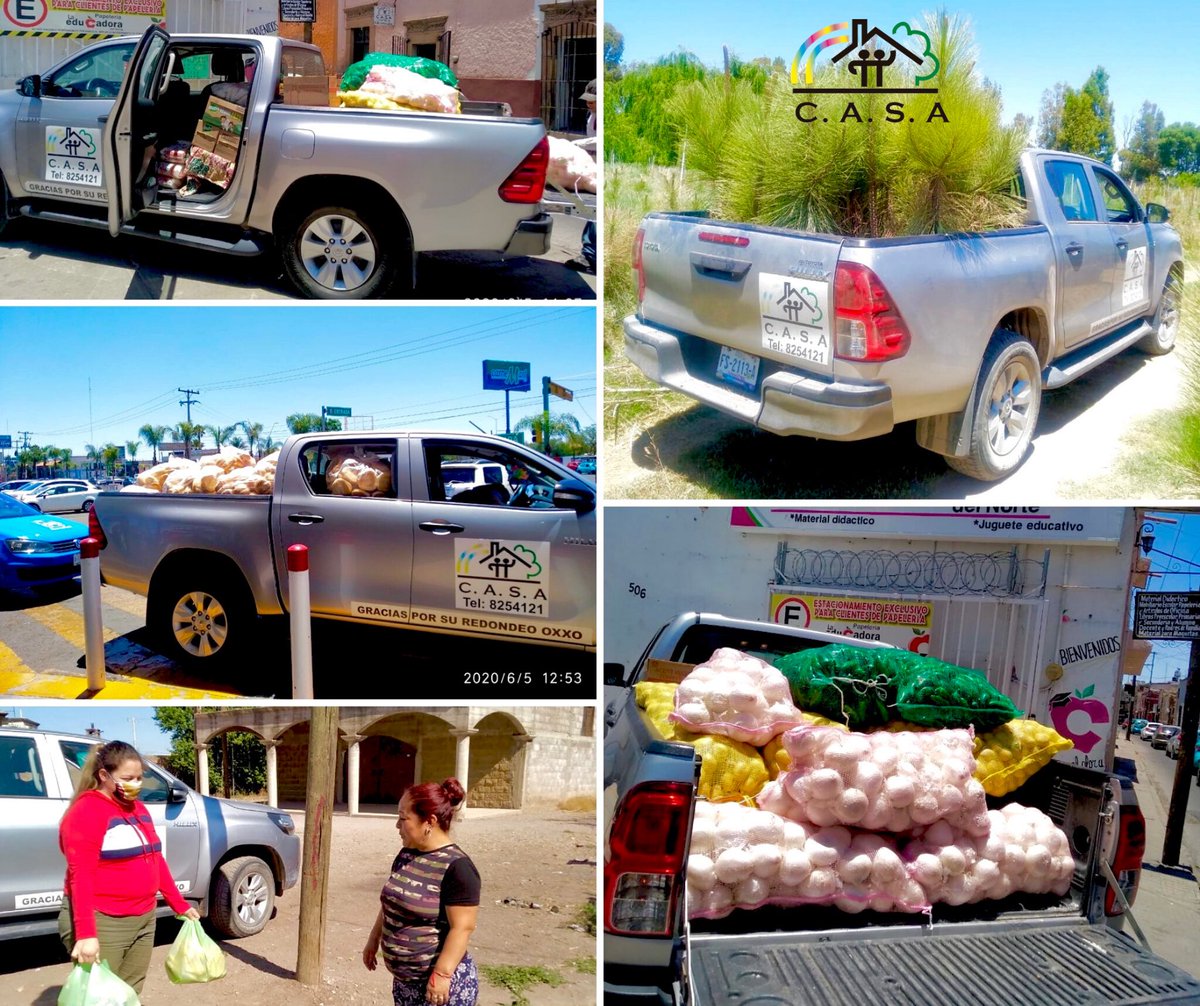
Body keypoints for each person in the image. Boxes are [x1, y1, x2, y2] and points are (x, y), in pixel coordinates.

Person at [58, 740, 200, 995]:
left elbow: (155, 859)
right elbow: (82, 877)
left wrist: (179, 904)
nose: (135, 784)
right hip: (105, 920)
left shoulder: (137, 808)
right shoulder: (87, 811)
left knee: (128, 993)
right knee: (99, 997)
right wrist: (87, 934)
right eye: (128, 778)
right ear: (104, 775)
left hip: (144, 917)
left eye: (139, 777)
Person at [363, 778, 481, 1006]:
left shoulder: (458, 868)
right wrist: (374, 938)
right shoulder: (406, 855)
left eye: (403, 818)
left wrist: (443, 974)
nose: (397, 825)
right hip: (406, 984)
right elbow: (391, 902)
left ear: (430, 821)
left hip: (439, 989)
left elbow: (463, 927)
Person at [577, 79, 598, 270]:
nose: (588, 104)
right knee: (591, 212)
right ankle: (589, 255)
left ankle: (590, 257)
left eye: (593, 101)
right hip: (592, 166)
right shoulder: (591, 115)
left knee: (594, 214)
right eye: (588, 100)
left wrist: (580, 144)